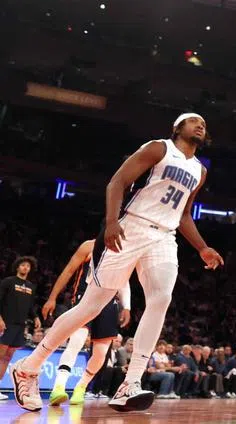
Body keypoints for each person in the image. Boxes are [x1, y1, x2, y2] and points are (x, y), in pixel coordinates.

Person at [9, 113, 224, 413]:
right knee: (89, 308)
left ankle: (130, 383)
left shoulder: (199, 170)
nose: (201, 125)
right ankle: (29, 367)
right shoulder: (158, 149)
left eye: (204, 122)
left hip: (164, 237)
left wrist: (202, 247)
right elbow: (117, 182)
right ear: (178, 128)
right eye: (193, 121)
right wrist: (111, 221)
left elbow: (184, 214)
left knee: (161, 299)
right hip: (130, 227)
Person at [41, 238, 133, 405]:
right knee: (76, 342)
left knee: (100, 353)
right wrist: (52, 297)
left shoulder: (125, 249)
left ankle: (81, 387)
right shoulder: (89, 245)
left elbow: (124, 281)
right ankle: (58, 387)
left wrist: (127, 306)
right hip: (85, 298)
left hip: (109, 302)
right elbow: (68, 271)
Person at [0, 256, 39, 396]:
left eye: (28, 266)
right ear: (17, 267)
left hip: (20, 326)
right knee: (0, 355)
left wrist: (35, 317)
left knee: (7, 357)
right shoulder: (8, 282)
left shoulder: (30, 287)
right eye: (22, 265)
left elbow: (30, 306)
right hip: (6, 324)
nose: (25, 268)